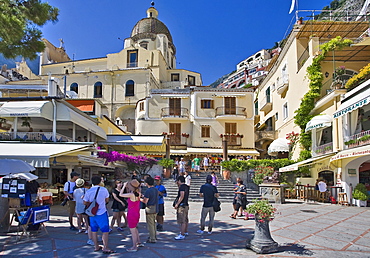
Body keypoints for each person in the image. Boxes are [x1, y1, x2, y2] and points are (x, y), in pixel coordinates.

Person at [83, 176, 115, 254]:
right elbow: (107, 200)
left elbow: (84, 202)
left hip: (92, 213)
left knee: (94, 230)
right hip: (102, 212)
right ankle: (105, 247)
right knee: (105, 231)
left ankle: (96, 246)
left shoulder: (89, 191)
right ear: (100, 182)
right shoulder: (104, 190)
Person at [119, 179, 143, 252]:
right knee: (135, 228)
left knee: (132, 230)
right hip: (136, 213)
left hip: (132, 213)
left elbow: (120, 194)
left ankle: (134, 246)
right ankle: (138, 241)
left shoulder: (131, 194)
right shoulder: (138, 193)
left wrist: (123, 187)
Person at [141, 176, 159, 243]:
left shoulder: (148, 190)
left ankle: (152, 238)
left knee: (150, 224)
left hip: (150, 208)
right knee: (153, 223)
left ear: (147, 183)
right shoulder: (155, 189)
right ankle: (154, 236)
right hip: (156, 207)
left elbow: (145, 201)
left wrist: (140, 199)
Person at [174, 175, 190, 240]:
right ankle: (185, 231)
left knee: (182, 220)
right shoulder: (187, 186)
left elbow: (181, 195)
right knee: (185, 219)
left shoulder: (182, 187)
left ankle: (182, 234)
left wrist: (177, 204)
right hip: (186, 204)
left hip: (182, 205)